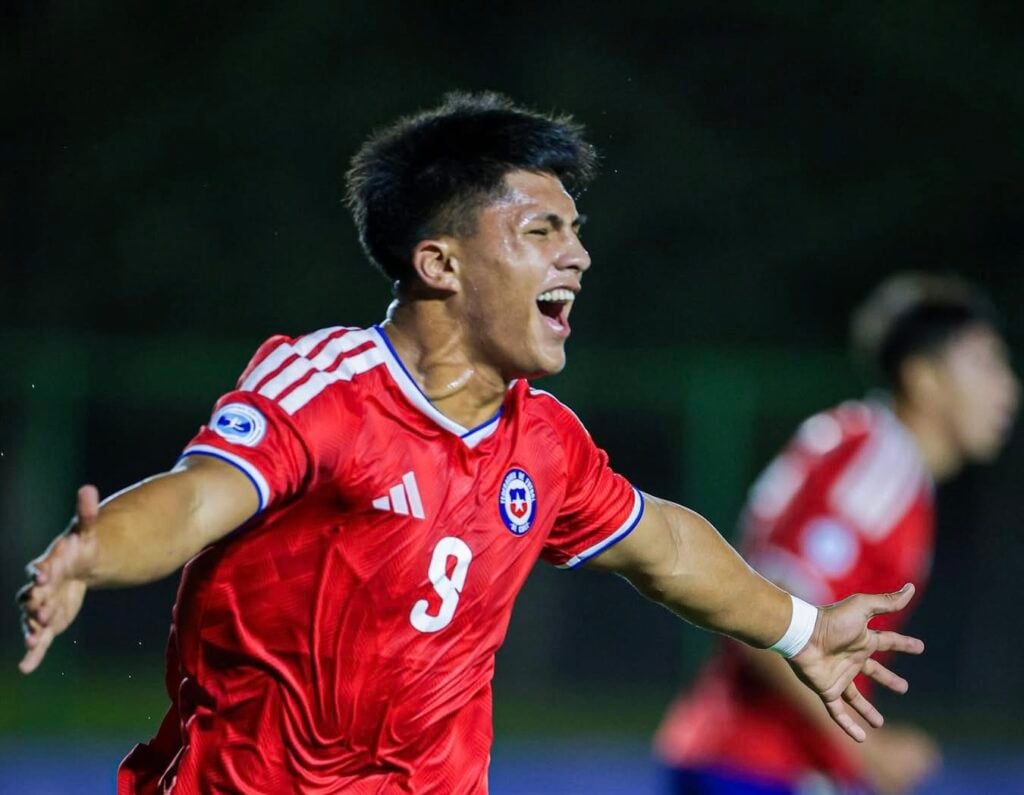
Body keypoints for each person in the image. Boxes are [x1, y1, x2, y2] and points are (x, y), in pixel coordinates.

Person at [18, 93, 924, 794]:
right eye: (543, 231)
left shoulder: (545, 442)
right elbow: (196, 495)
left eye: (576, 231)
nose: (579, 257)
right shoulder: (329, 388)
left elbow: (666, 546)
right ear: (439, 263)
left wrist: (800, 627)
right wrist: (94, 553)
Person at [654, 273, 1019, 794]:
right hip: (752, 766)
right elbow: (768, 618)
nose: (1007, 387)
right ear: (924, 378)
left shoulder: (873, 452)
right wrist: (868, 751)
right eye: (986, 363)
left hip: (753, 762)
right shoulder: (878, 464)